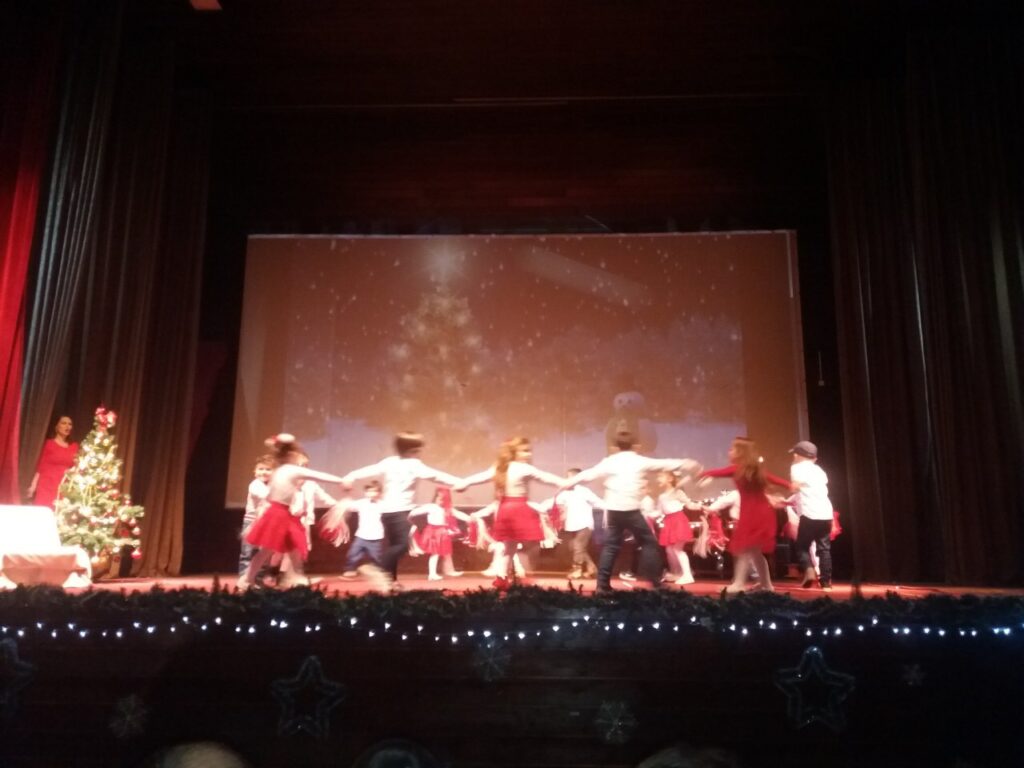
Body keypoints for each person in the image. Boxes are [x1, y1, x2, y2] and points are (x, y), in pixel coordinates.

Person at [563, 431, 701, 594]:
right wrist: (688, 463)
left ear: (615, 447)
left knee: (611, 547)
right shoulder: (639, 461)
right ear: (635, 446)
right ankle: (655, 583)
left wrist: (568, 482)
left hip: (614, 512)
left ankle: (602, 585)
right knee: (649, 543)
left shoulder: (610, 461)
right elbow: (665, 464)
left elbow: (588, 474)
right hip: (631, 512)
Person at [339, 432, 463, 588]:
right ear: (412, 450)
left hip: (387, 513)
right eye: (418, 450)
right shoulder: (414, 465)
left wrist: (350, 476)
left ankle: (392, 582)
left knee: (394, 545)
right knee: (403, 545)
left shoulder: (389, 462)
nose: (420, 453)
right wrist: (458, 482)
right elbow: (436, 476)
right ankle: (378, 568)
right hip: (400, 512)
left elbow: (369, 470)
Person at [240, 434, 346, 589]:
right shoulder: (291, 470)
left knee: (292, 548)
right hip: (279, 514)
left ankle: (295, 578)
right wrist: (341, 480)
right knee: (270, 550)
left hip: (280, 513)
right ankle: (248, 579)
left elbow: (271, 495)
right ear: (291, 454)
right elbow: (317, 475)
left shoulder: (279, 471)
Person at [456, 436, 563, 582]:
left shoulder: (501, 468)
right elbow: (546, 478)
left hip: (505, 509)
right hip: (517, 508)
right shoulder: (524, 468)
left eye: (529, 451)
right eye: (524, 451)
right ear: (514, 452)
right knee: (514, 546)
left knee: (509, 547)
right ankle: (507, 576)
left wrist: (465, 482)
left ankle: (502, 577)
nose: (528, 454)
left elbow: (481, 477)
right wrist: (565, 483)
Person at [699, 436, 791, 594]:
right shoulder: (754, 470)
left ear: (740, 452)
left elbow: (719, 472)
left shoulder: (738, 469)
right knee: (754, 552)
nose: (729, 451)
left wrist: (702, 473)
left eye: (732, 449)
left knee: (744, 549)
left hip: (753, 514)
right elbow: (773, 479)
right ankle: (766, 585)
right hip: (761, 512)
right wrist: (789, 485)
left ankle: (739, 583)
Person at [788, 440, 835, 591]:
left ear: (798, 455)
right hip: (826, 513)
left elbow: (795, 488)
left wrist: (791, 487)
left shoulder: (796, 468)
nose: (794, 456)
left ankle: (809, 570)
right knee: (824, 548)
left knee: (801, 546)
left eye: (795, 454)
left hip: (809, 513)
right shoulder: (820, 470)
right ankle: (826, 583)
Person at [550, 468, 604, 579]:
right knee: (576, 546)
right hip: (571, 524)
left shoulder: (584, 491)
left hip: (585, 523)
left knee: (578, 545)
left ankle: (577, 570)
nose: (570, 480)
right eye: (568, 477)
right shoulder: (563, 493)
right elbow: (560, 506)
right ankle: (591, 567)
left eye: (572, 477)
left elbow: (599, 503)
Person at [409, 486, 471, 580]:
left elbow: (459, 514)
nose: (441, 501)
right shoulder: (431, 507)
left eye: (443, 499)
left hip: (442, 533)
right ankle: (432, 574)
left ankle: (449, 570)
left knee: (446, 552)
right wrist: (410, 516)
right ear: (435, 497)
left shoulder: (448, 509)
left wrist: (470, 519)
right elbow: (416, 511)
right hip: (433, 533)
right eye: (439, 498)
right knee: (435, 553)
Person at [656, 470, 700, 585]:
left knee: (677, 549)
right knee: (669, 550)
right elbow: (658, 512)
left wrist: (700, 506)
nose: (658, 479)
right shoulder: (661, 496)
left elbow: (690, 505)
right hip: (669, 521)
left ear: (670, 479)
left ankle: (688, 575)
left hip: (678, 520)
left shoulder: (678, 492)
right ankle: (677, 572)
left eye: (661, 476)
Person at [27, 415, 78, 508]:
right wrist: (33, 486)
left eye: (70, 424)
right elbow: (40, 467)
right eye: (64, 423)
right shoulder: (49, 444)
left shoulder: (74, 446)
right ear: (56, 427)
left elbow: (77, 467)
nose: (67, 426)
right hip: (46, 486)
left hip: (64, 487)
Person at [238, 454, 274, 584]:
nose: (263, 472)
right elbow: (266, 496)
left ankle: (258, 580)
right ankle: (244, 580)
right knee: (247, 552)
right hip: (252, 521)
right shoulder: (255, 485)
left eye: (268, 469)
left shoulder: (273, 485)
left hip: (266, 523)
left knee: (263, 554)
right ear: (255, 471)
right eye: (260, 469)